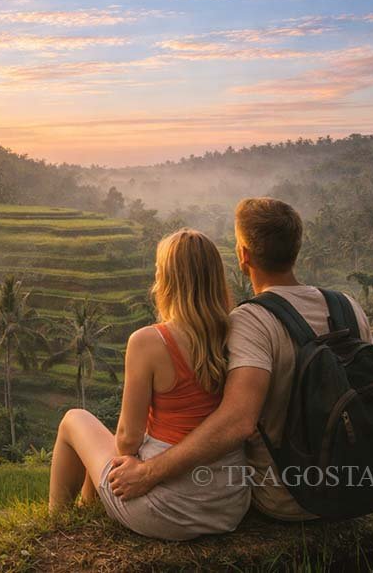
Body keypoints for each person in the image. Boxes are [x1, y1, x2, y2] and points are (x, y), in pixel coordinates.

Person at [106, 197, 373, 521]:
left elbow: (238, 423)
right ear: (297, 247)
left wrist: (148, 473)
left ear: (243, 255)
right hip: (357, 485)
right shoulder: (348, 306)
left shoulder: (251, 321)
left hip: (289, 496)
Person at [47, 228, 250, 540]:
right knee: (102, 455)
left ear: (166, 280)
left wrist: (130, 457)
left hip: (168, 509)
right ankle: (90, 510)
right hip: (228, 504)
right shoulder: (239, 332)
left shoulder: (149, 341)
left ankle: (55, 526)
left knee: (74, 420)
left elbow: (127, 440)